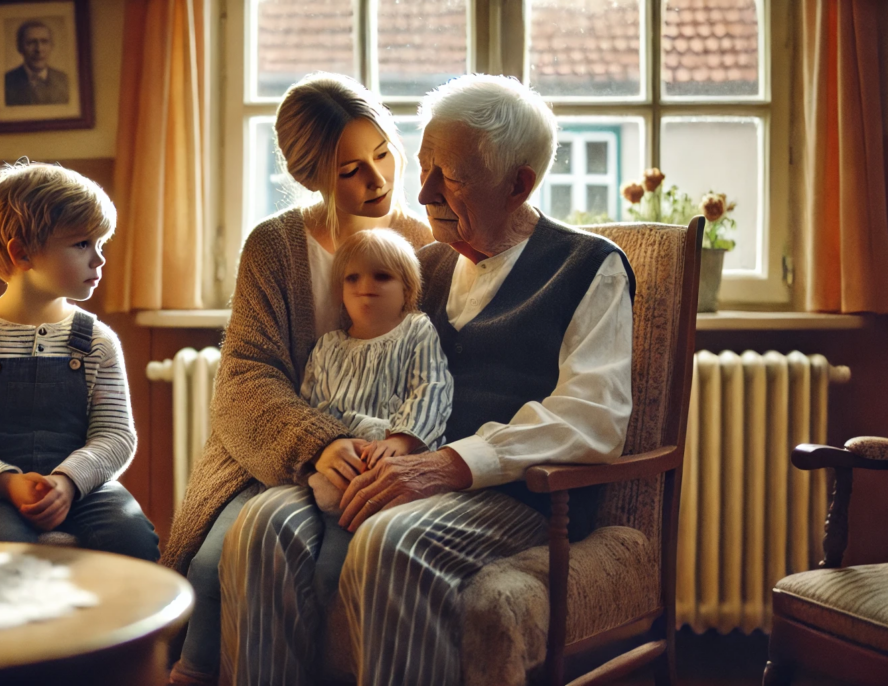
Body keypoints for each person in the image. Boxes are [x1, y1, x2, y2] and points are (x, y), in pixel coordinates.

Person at [218, 73, 636, 685]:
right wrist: (341, 449)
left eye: (452, 175)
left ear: (519, 183)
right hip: (402, 470)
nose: (423, 190)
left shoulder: (588, 266)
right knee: (261, 525)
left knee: (392, 541)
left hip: (516, 494)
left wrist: (450, 464)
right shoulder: (420, 266)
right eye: (425, 165)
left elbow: (593, 416)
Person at [163, 73, 433, 686]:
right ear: (311, 175)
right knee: (210, 567)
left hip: (375, 459)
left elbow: (432, 370)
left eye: (384, 153)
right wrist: (317, 444)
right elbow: (243, 380)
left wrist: (383, 449)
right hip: (267, 458)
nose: (379, 180)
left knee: (328, 572)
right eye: (350, 170)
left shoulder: (424, 246)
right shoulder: (275, 246)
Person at [0, 160, 159, 562]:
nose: (99, 260)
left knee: (133, 541)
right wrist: (7, 482)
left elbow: (116, 436)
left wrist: (68, 481)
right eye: (82, 244)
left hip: (83, 490)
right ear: (23, 253)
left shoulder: (98, 341)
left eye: (100, 244)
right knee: (7, 553)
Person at [302, 228, 452, 518]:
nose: (365, 285)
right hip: (342, 458)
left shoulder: (417, 331)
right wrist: (327, 444)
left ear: (407, 289)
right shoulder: (328, 346)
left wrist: (401, 440)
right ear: (340, 292)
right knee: (319, 505)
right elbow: (311, 405)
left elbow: (431, 388)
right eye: (352, 278)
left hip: (401, 457)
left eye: (381, 276)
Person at [4, 20, 69, 106]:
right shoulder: (7, 82)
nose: (38, 49)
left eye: (44, 42)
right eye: (31, 43)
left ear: (51, 46)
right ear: (20, 47)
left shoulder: (64, 80)